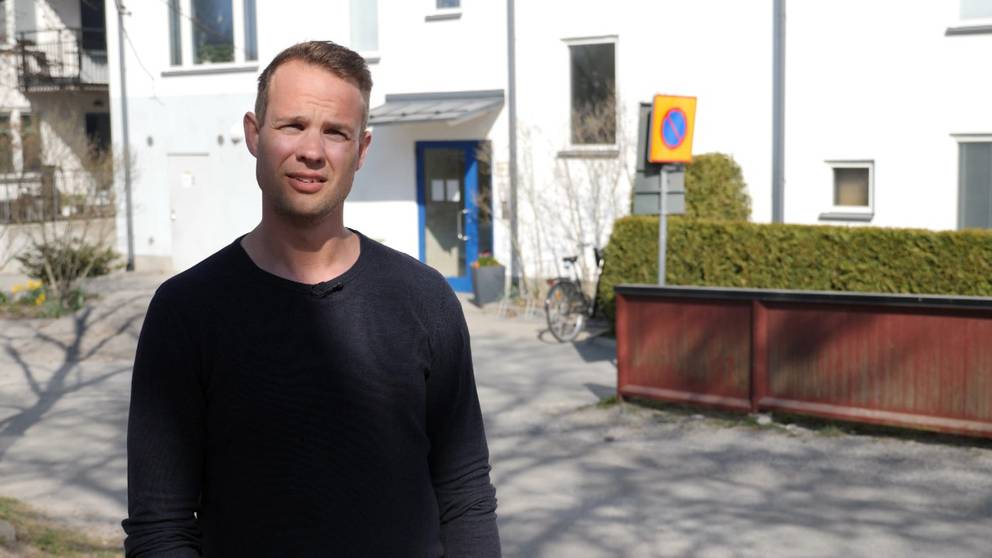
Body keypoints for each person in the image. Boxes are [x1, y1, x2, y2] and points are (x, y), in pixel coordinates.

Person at [122, 41, 500, 557]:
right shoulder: (186, 311)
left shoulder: (425, 300)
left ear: (361, 150)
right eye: (293, 125)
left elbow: (465, 493)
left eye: (336, 132)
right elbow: (159, 526)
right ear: (254, 134)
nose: (312, 151)